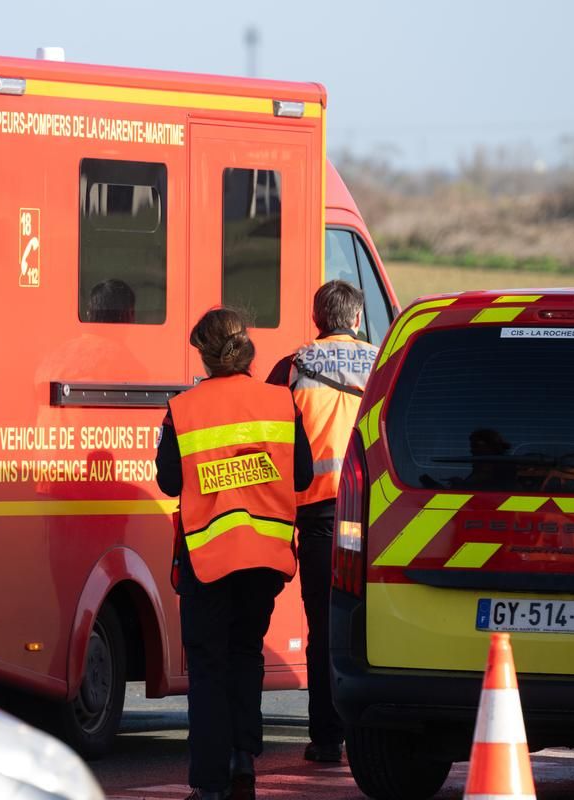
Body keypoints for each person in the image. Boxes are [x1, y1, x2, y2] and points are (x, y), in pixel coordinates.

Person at [156, 307, 313, 800]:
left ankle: (210, 783)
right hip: (264, 558)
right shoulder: (282, 402)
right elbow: (303, 475)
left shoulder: (184, 409)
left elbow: (168, 481)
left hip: (208, 559)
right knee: (246, 655)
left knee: (208, 666)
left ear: (204, 355)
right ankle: (243, 761)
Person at [266, 280, 379, 764]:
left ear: (317, 319)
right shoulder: (382, 362)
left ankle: (327, 738)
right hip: (375, 517)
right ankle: (372, 735)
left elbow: (268, 438)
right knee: (371, 625)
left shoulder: (293, 367)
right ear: (356, 319)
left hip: (316, 517)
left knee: (322, 626)